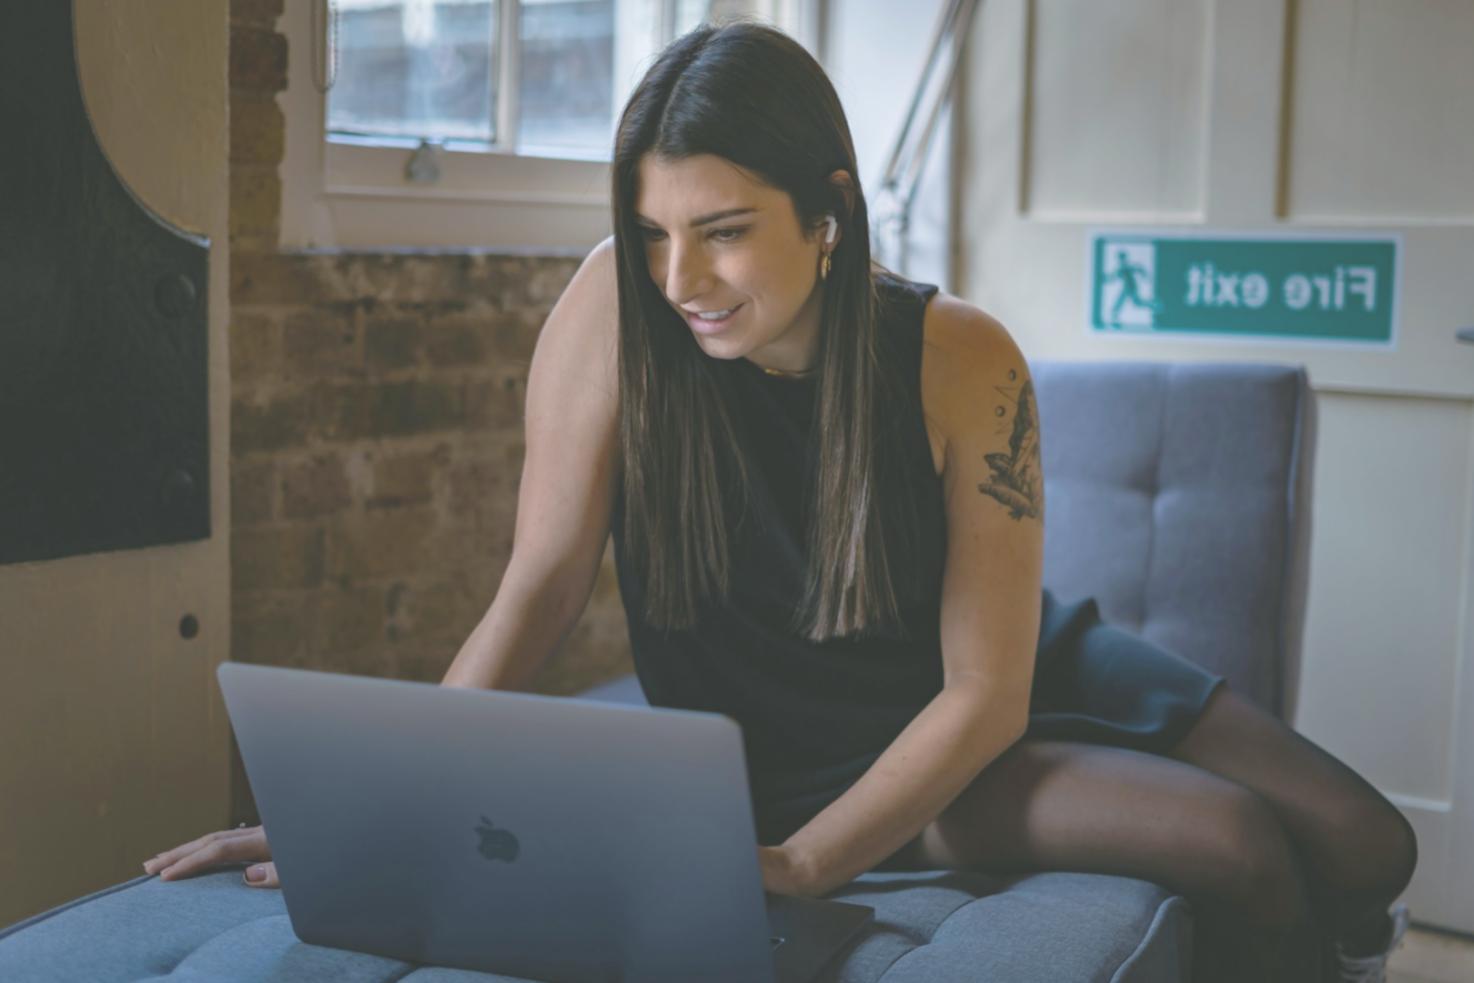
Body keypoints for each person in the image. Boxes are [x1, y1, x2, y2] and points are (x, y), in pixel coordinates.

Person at [143, 20, 1417, 983]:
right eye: (651, 230)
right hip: (834, 746)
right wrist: (385, 809)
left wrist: (800, 875)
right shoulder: (613, 309)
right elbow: (536, 587)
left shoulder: (960, 354)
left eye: (723, 230)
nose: (679, 276)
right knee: (1240, 846)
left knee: (1371, 846)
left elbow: (987, 686)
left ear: (829, 214)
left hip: (992, 676)